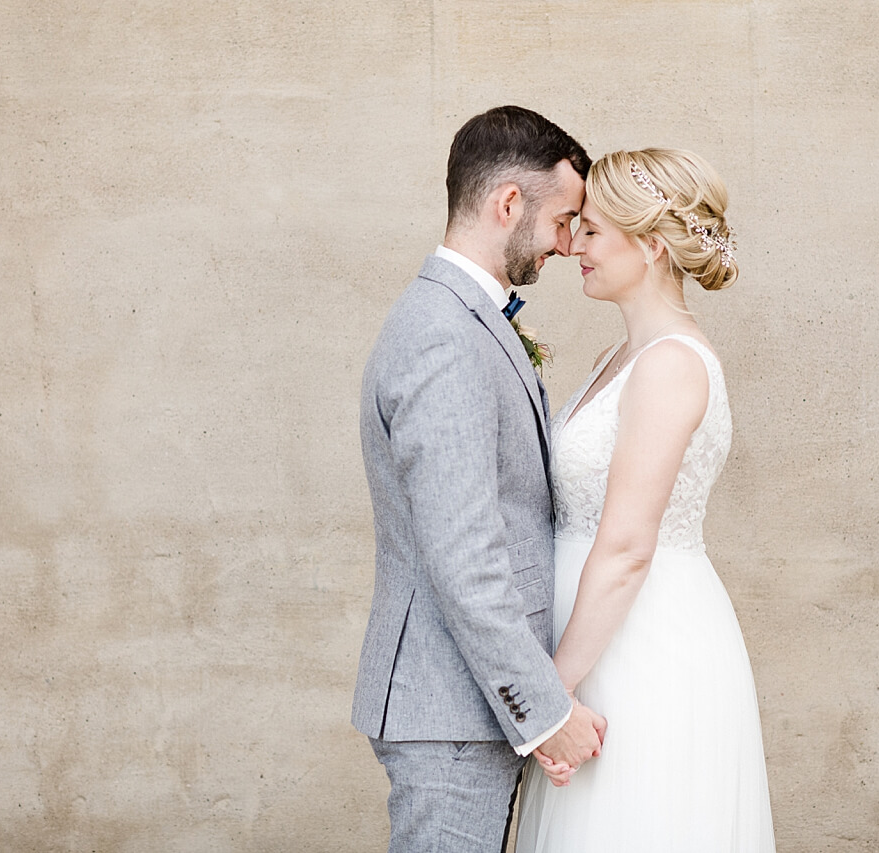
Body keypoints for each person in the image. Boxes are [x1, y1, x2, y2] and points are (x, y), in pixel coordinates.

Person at [352, 106, 608, 853]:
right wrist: (545, 710)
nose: (568, 243)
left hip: (463, 708)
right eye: (563, 219)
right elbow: (465, 552)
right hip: (452, 714)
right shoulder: (444, 334)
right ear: (507, 205)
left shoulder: (463, 319)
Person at [513, 148, 776, 851]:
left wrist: (549, 698)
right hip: (591, 646)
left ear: (653, 245)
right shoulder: (619, 357)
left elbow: (628, 546)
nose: (575, 247)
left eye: (593, 231)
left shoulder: (670, 365)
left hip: (642, 653)